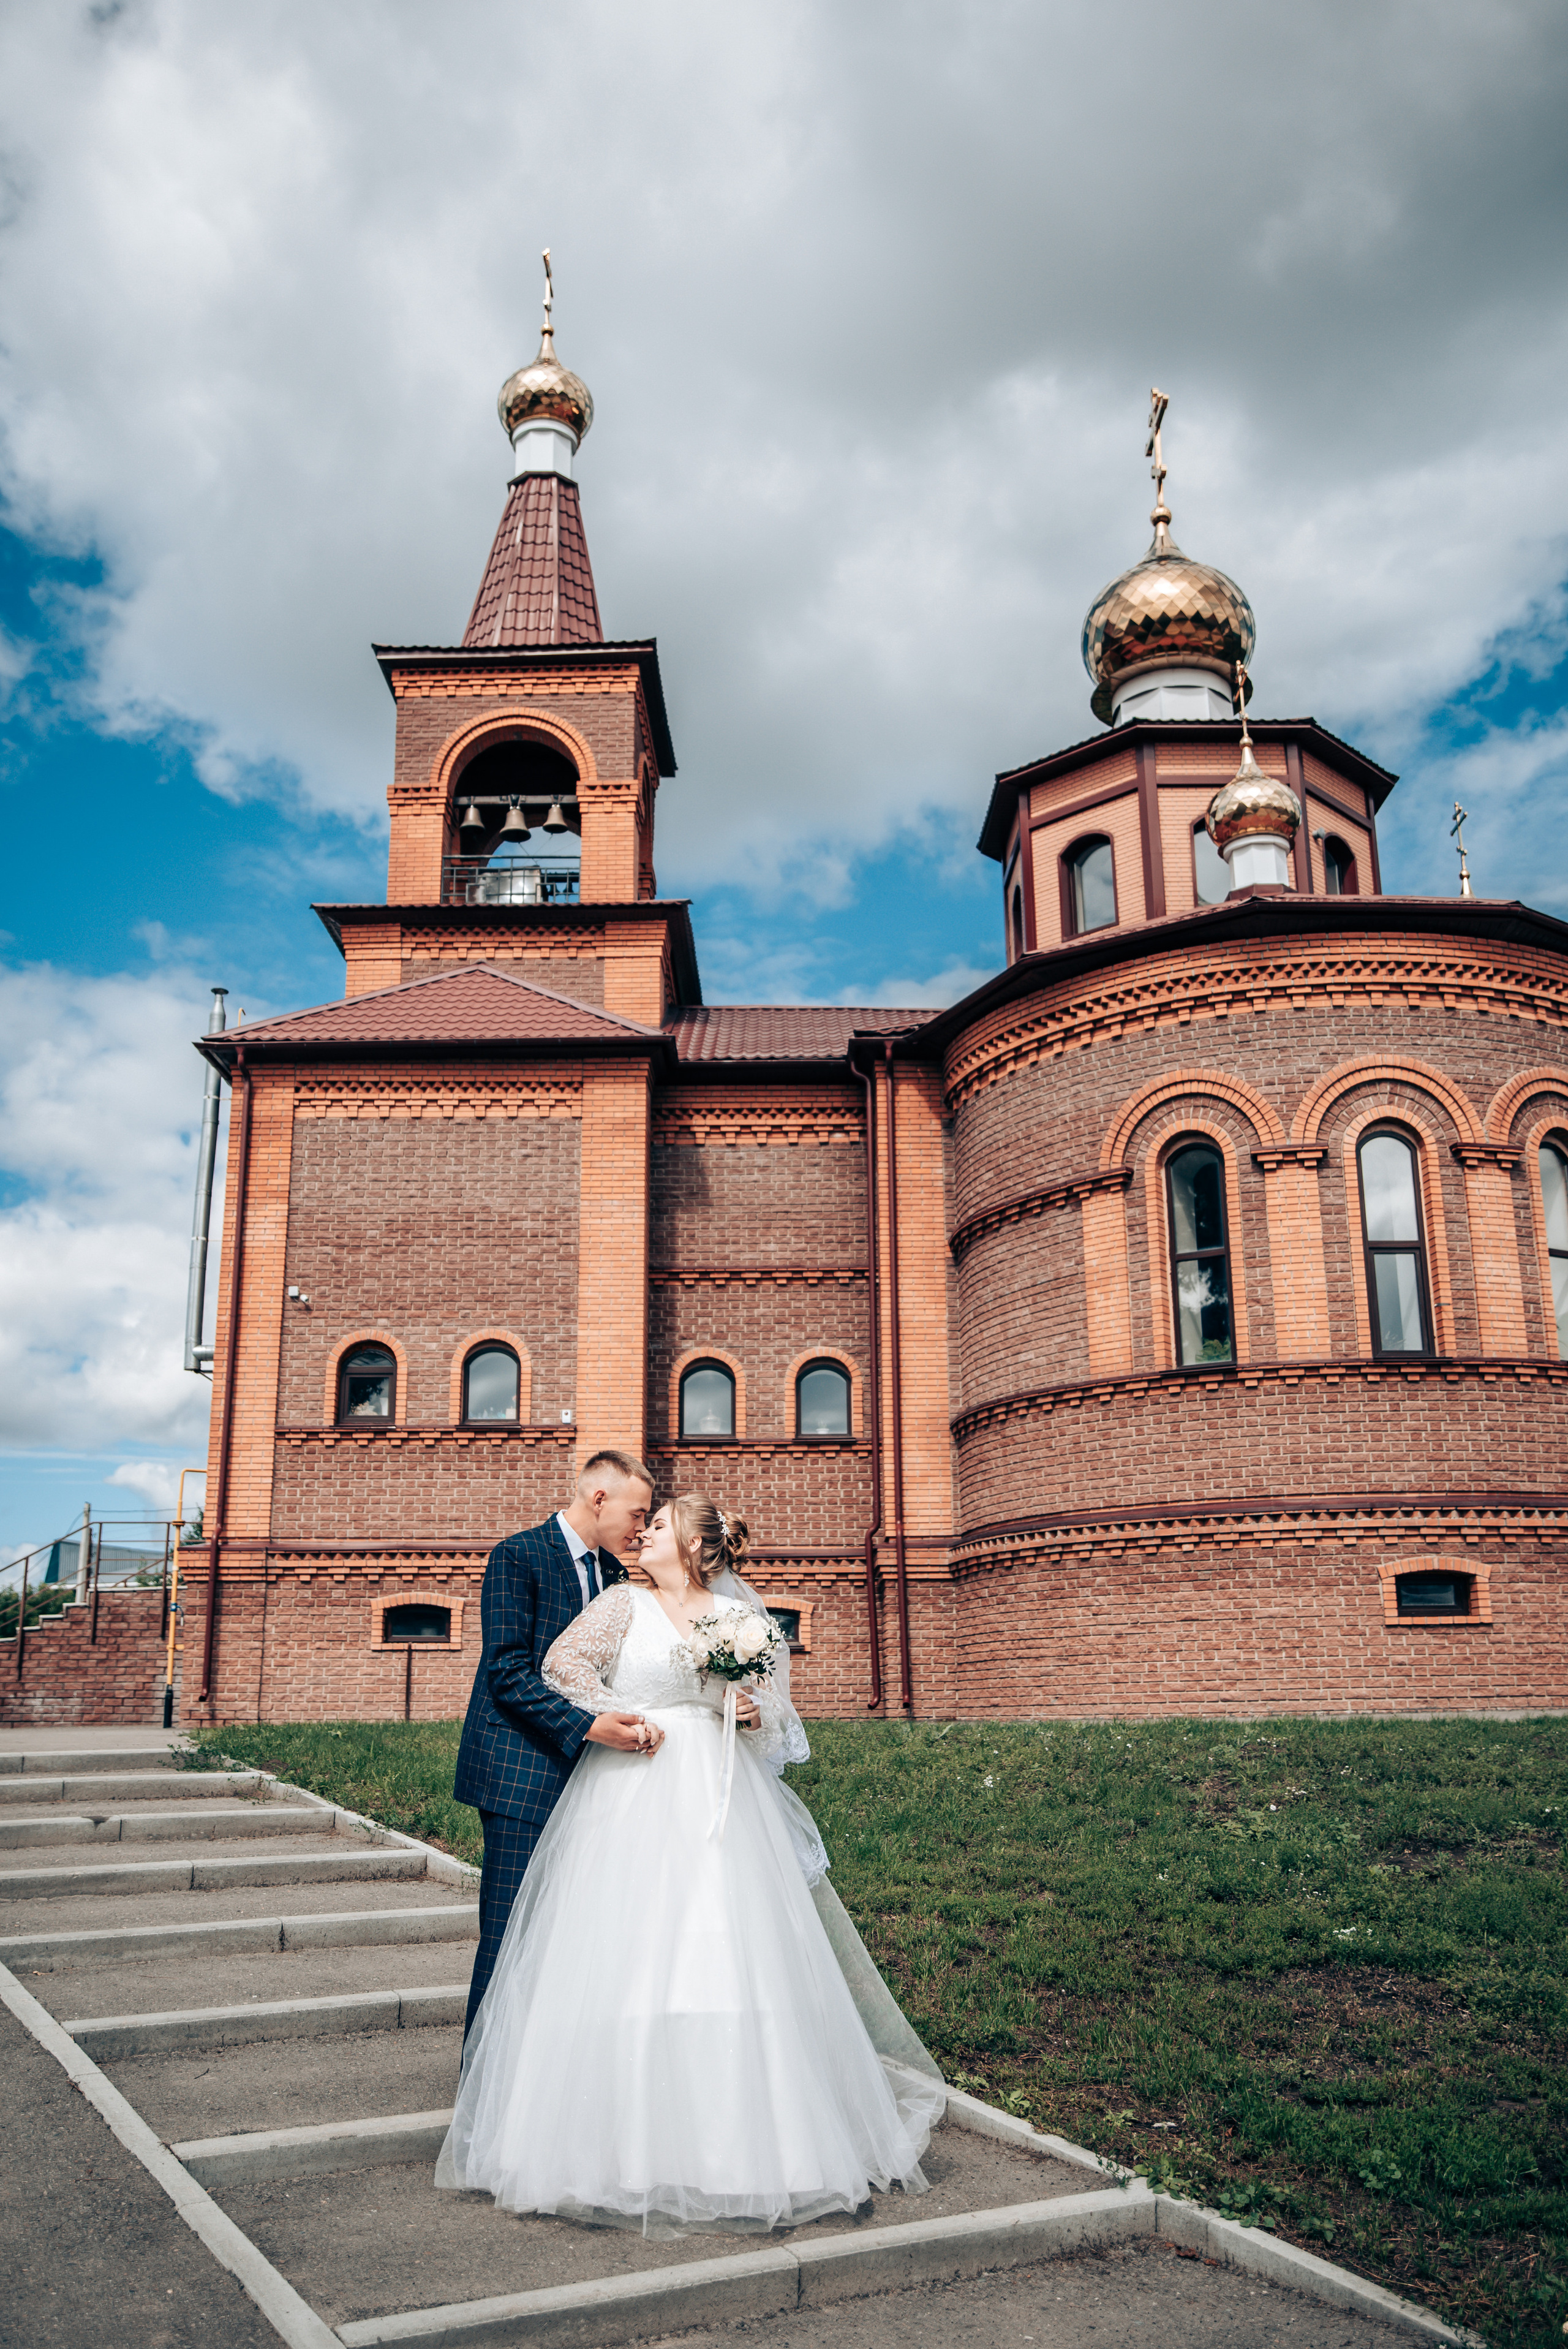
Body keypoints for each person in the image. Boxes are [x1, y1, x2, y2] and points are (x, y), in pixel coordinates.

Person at [438, 1492, 944, 2236]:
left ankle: (743, 2147)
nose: (643, 1532)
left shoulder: (737, 1618)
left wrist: (749, 1712)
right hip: (630, 1786)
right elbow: (561, 1666)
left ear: (697, 1546)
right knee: (627, 1947)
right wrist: (614, 1716)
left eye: (659, 1524)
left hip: (716, 1791)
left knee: (723, 1945)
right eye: (644, 1522)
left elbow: (770, 1716)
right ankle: (609, 2147)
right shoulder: (620, 1604)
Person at [453, 1448, 657, 2039]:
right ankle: (480, 2082)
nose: (641, 1527)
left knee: (568, 1940)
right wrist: (589, 1727)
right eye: (637, 1513)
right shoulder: (518, 1556)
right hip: (519, 1775)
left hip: (591, 1784)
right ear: (600, 1498)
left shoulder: (616, 1577)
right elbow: (507, 1672)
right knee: (509, 1935)